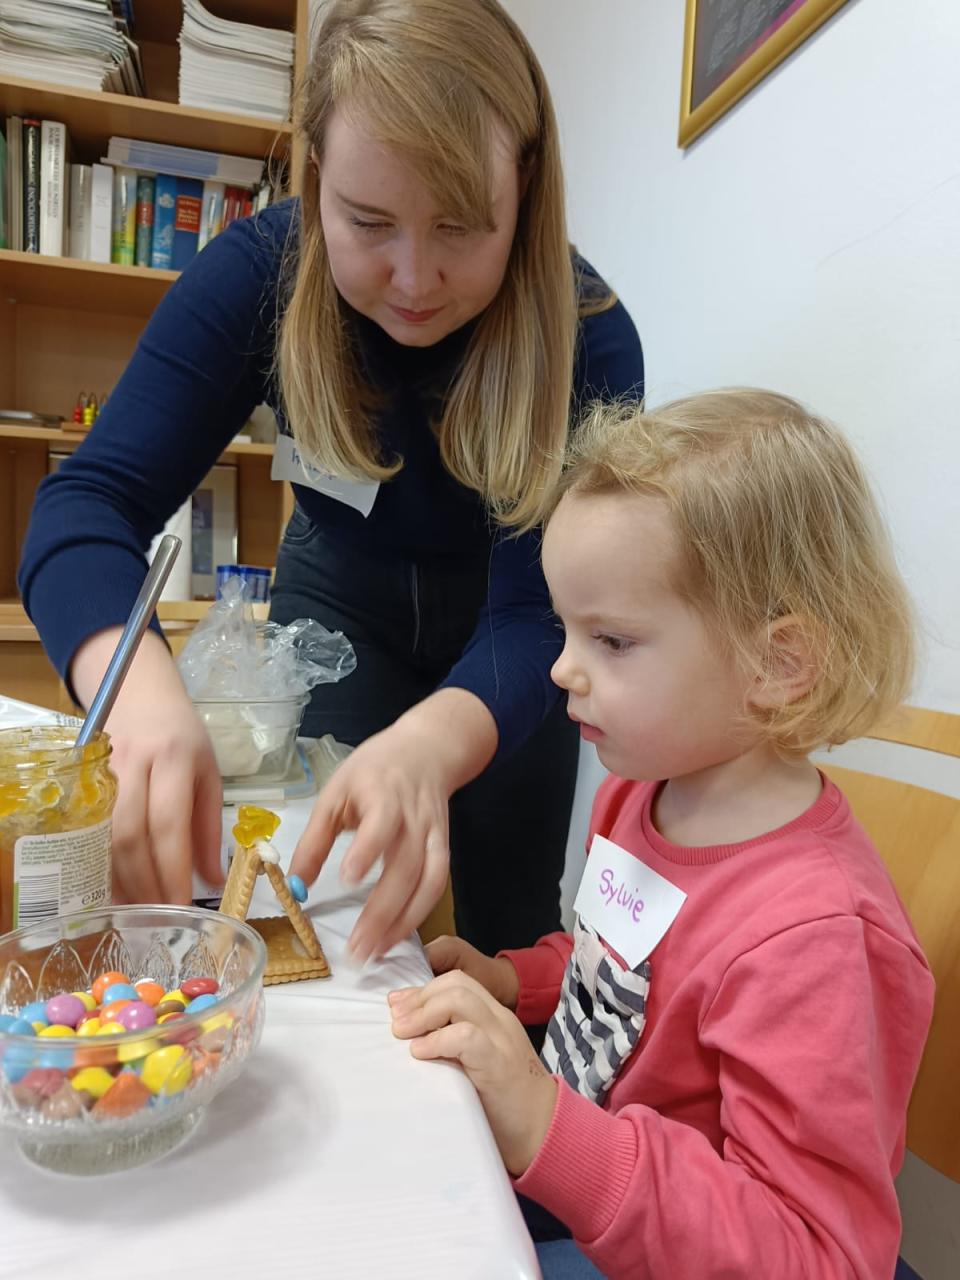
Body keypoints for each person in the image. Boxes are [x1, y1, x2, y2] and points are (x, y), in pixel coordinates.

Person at [18, 0, 643, 962]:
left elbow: (534, 615)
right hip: (340, 597)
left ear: (526, 190)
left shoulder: (592, 337)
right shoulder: (259, 275)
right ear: (314, 184)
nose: (414, 279)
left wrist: (434, 744)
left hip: (515, 623)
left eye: (461, 226)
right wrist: (138, 696)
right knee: (328, 902)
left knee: (509, 927)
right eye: (368, 222)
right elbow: (84, 505)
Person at [389, 389, 935, 1280]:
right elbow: (619, 967)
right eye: (566, 629)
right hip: (596, 1178)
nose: (563, 668)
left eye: (611, 640)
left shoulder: (817, 940)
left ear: (776, 664)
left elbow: (819, 1255)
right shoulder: (644, 798)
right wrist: (511, 979)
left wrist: (544, 1122)